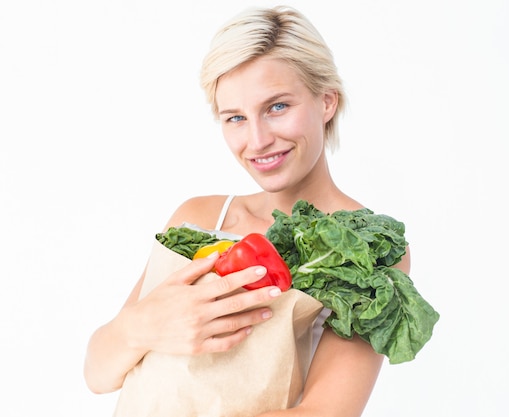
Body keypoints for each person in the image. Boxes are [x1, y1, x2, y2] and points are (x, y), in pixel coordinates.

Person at [84, 5, 411, 416]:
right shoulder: (201, 217)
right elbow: (98, 373)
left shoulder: (368, 248)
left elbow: (327, 412)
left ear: (326, 101)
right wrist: (147, 325)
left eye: (277, 107)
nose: (257, 141)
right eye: (235, 117)